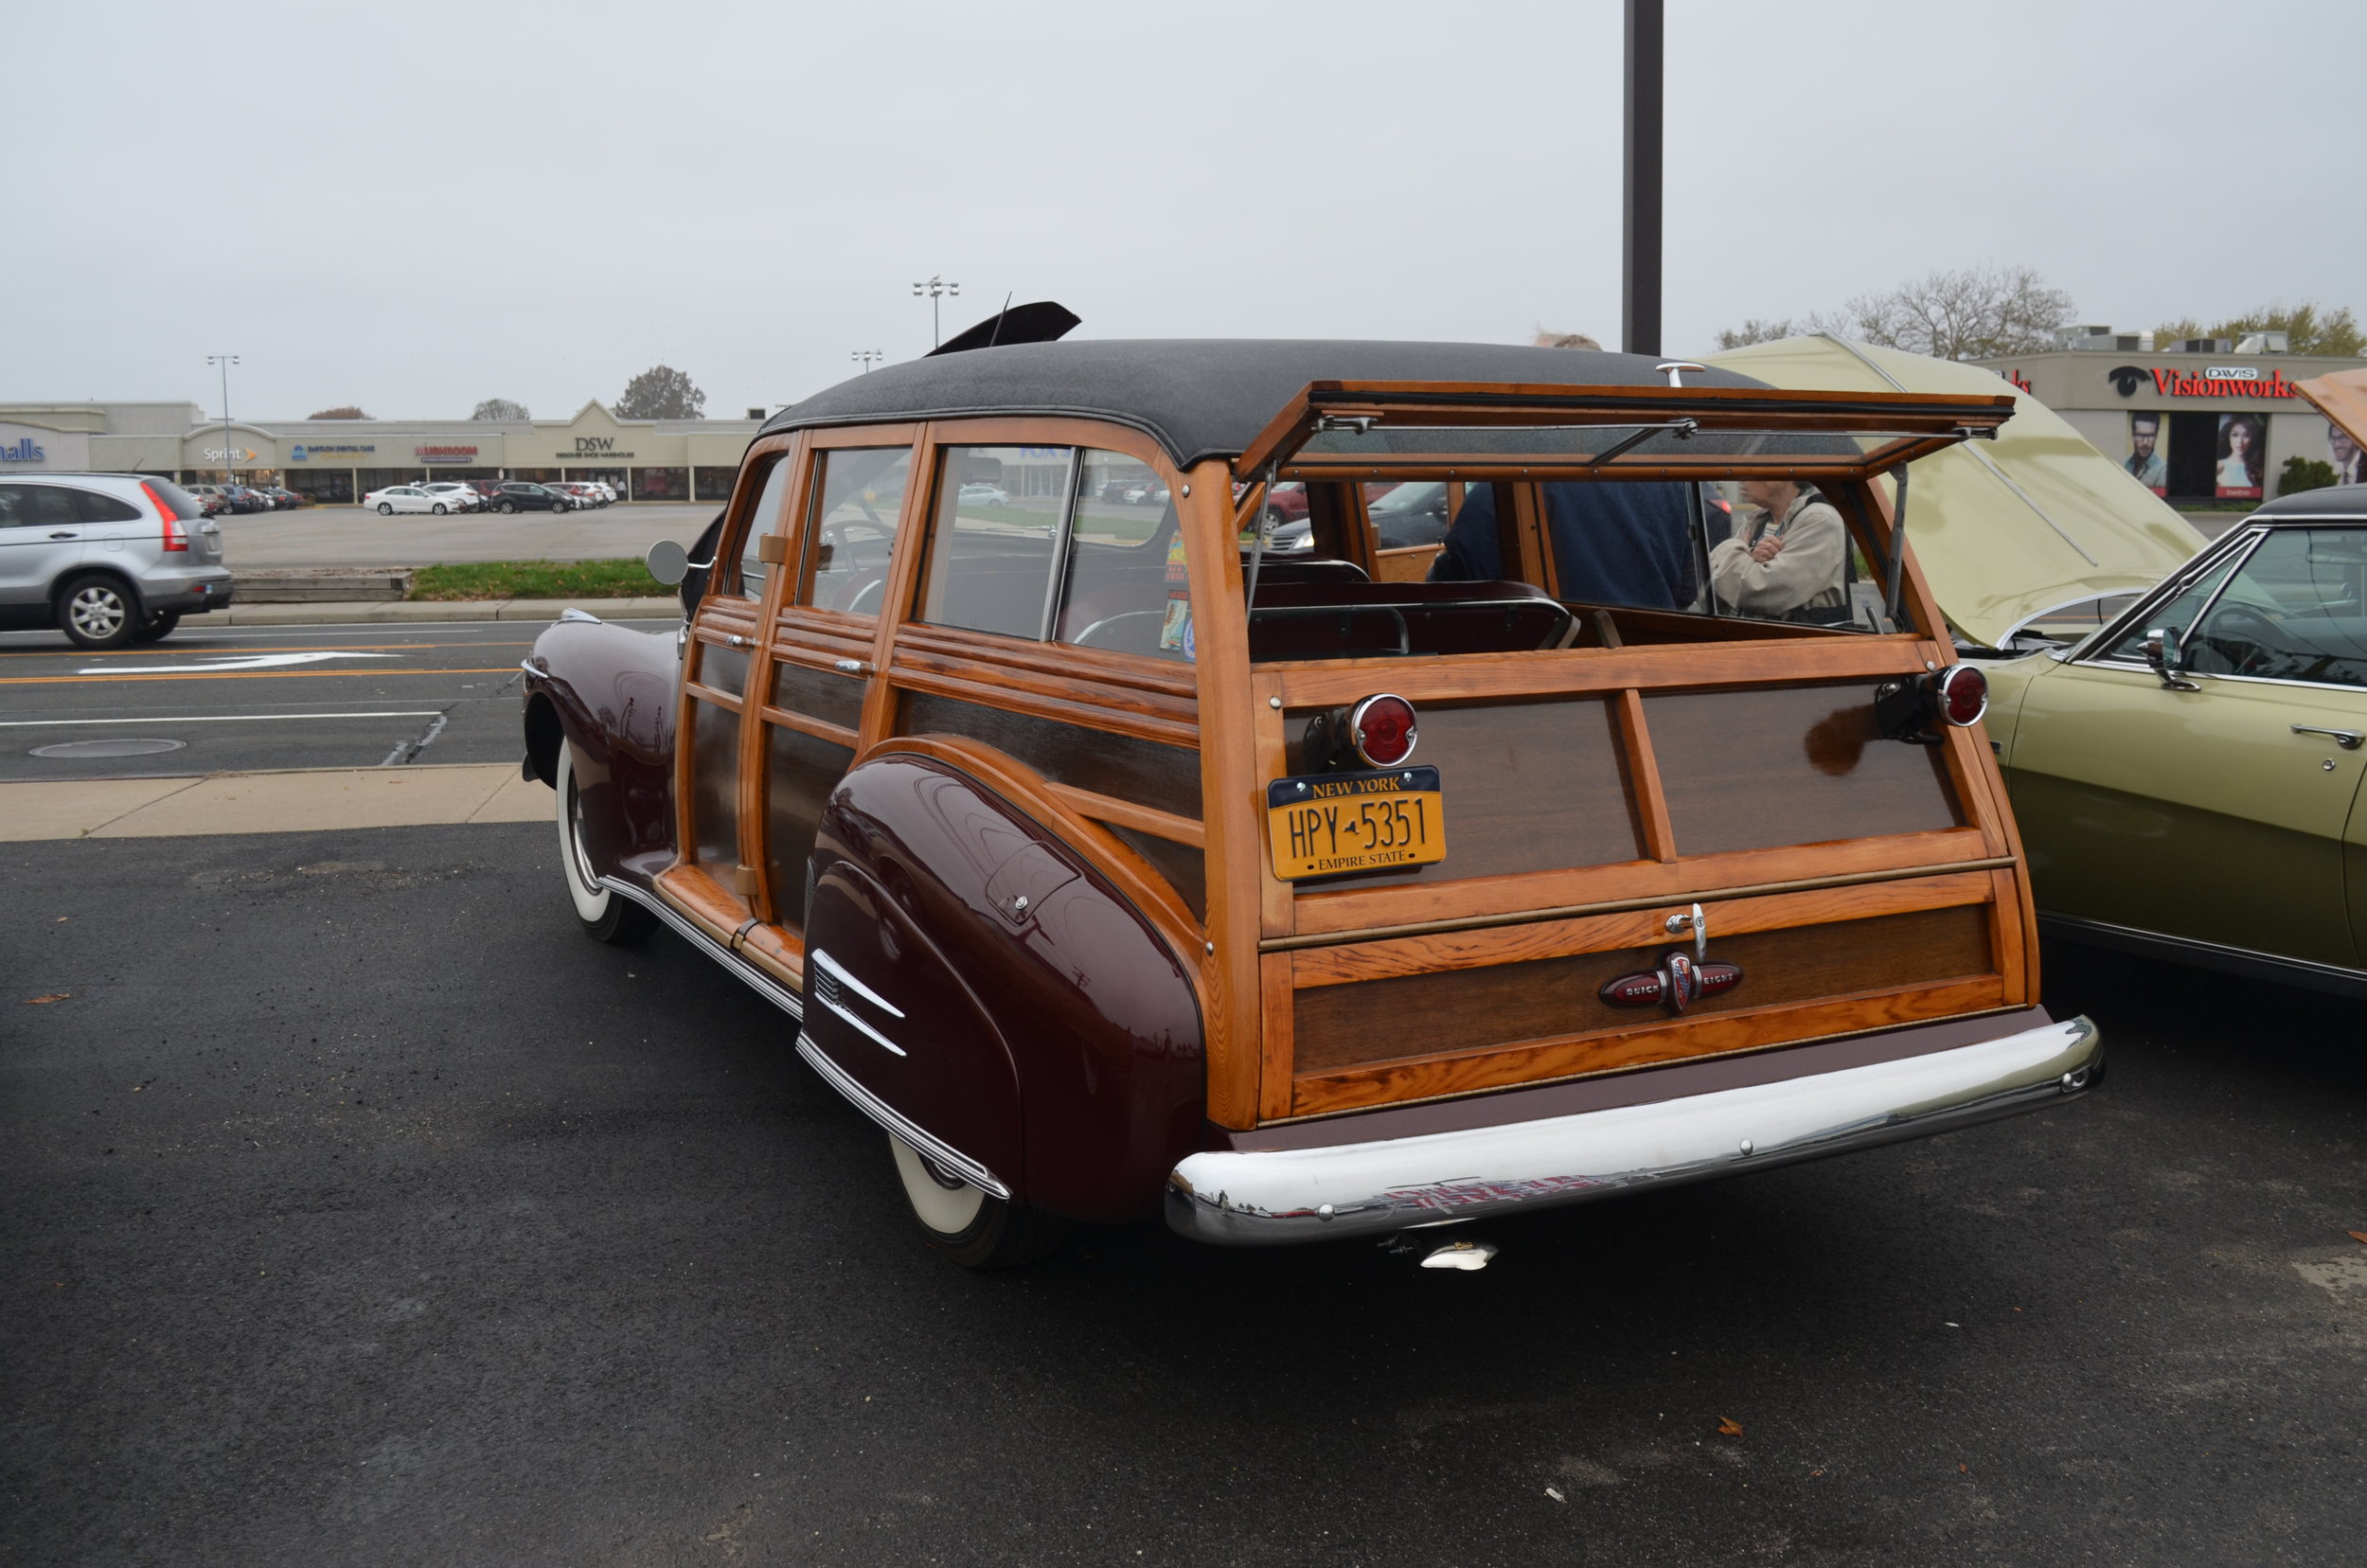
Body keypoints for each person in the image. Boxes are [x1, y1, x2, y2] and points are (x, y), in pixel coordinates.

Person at [1428, 480, 1698, 608]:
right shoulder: (1669, 480)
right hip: (1656, 660)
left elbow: (1464, 586)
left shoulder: (1503, 487)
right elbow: (1687, 590)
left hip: (1552, 665)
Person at [1708, 478, 1848, 622]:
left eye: (1753, 467)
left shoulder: (1818, 519)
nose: (1741, 478)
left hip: (1794, 640)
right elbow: (1706, 587)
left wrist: (1731, 549)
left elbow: (1762, 592)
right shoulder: (1757, 518)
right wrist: (1750, 558)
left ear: (1784, 475)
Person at [2216, 414, 2265, 494]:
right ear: (2228, 436)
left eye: (2246, 435)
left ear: (2252, 438)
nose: (2240, 442)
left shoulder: (2258, 467)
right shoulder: (2220, 465)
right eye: (2235, 435)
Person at [2125, 413, 2167, 493]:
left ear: (2156, 436)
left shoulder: (2163, 469)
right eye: (2140, 435)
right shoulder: (2124, 462)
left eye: (2150, 436)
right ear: (2132, 435)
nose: (2145, 443)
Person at [2330, 419, 2365, 487]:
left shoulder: (2364, 469)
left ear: (2356, 439)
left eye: (2342, 438)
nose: (2337, 445)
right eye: (2333, 439)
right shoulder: (2338, 476)